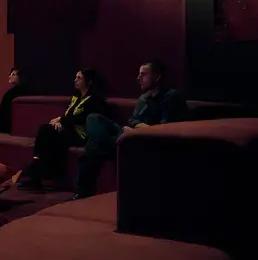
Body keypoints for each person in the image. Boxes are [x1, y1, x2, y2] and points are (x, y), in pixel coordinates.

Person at [74, 60, 188, 199]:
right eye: (139, 74)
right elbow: (132, 121)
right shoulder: (143, 98)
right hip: (129, 134)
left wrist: (137, 130)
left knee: (92, 146)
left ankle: (83, 193)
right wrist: (134, 128)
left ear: (157, 77)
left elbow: (164, 128)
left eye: (143, 74)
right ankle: (109, 144)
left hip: (148, 140)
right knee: (93, 118)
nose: (138, 78)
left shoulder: (171, 96)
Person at [17, 69, 108, 191]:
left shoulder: (95, 100)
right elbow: (69, 116)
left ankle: (37, 172)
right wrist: (61, 122)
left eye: (79, 78)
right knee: (46, 129)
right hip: (68, 131)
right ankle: (37, 168)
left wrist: (62, 120)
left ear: (89, 81)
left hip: (81, 135)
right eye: (75, 77)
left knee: (49, 133)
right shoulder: (75, 98)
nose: (75, 80)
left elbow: (86, 117)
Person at [0, 66, 32, 134]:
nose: (9, 76)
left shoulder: (12, 93)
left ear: (20, 77)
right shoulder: (14, 92)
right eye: (10, 74)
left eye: (13, 75)